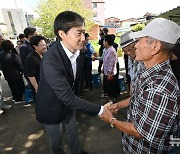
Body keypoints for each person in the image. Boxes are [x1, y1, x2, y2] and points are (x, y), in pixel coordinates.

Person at [100, 18, 180, 153]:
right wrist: (118, 105)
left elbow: (139, 132)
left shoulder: (159, 88)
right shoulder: (148, 70)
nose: (135, 45)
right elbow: (139, 97)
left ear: (155, 46)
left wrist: (112, 120)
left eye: (140, 40)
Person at [35, 11, 109, 154]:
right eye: (78, 33)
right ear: (62, 34)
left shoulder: (79, 52)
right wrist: (101, 110)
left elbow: (75, 84)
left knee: (73, 132)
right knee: (56, 142)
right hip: (50, 107)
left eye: (84, 33)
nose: (83, 38)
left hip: (69, 104)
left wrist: (75, 101)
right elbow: (67, 97)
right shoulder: (50, 60)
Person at [0, 40, 24, 104]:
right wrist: (22, 71)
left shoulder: (1, 54)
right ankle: (18, 99)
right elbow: (19, 65)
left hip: (7, 73)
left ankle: (15, 97)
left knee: (12, 86)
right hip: (15, 73)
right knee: (18, 86)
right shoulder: (13, 55)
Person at [102, 34, 119, 100]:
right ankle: (109, 95)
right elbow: (105, 60)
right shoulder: (107, 49)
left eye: (104, 41)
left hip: (111, 72)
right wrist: (103, 68)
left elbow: (111, 64)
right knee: (108, 84)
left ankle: (112, 98)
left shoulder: (111, 51)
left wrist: (109, 73)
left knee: (111, 85)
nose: (103, 42)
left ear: (107, 42)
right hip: (107, 71)